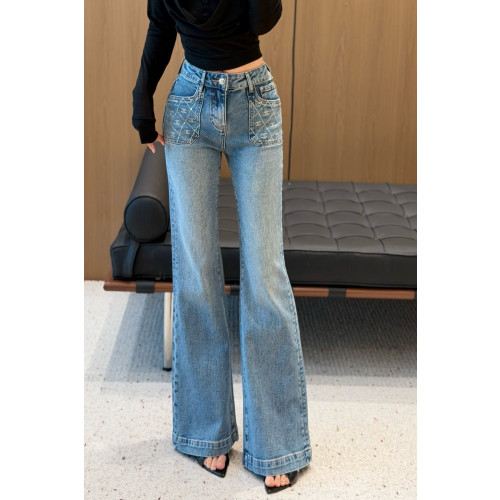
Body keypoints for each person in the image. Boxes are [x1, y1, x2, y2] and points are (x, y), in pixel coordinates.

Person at [132, 0, 312, 494]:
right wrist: (142, 97)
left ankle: (277, 444)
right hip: (189, 104)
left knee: (265, 273)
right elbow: (161, 25)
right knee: (195, 273)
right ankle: (205, 430)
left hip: (255, 101)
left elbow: (263, 20)